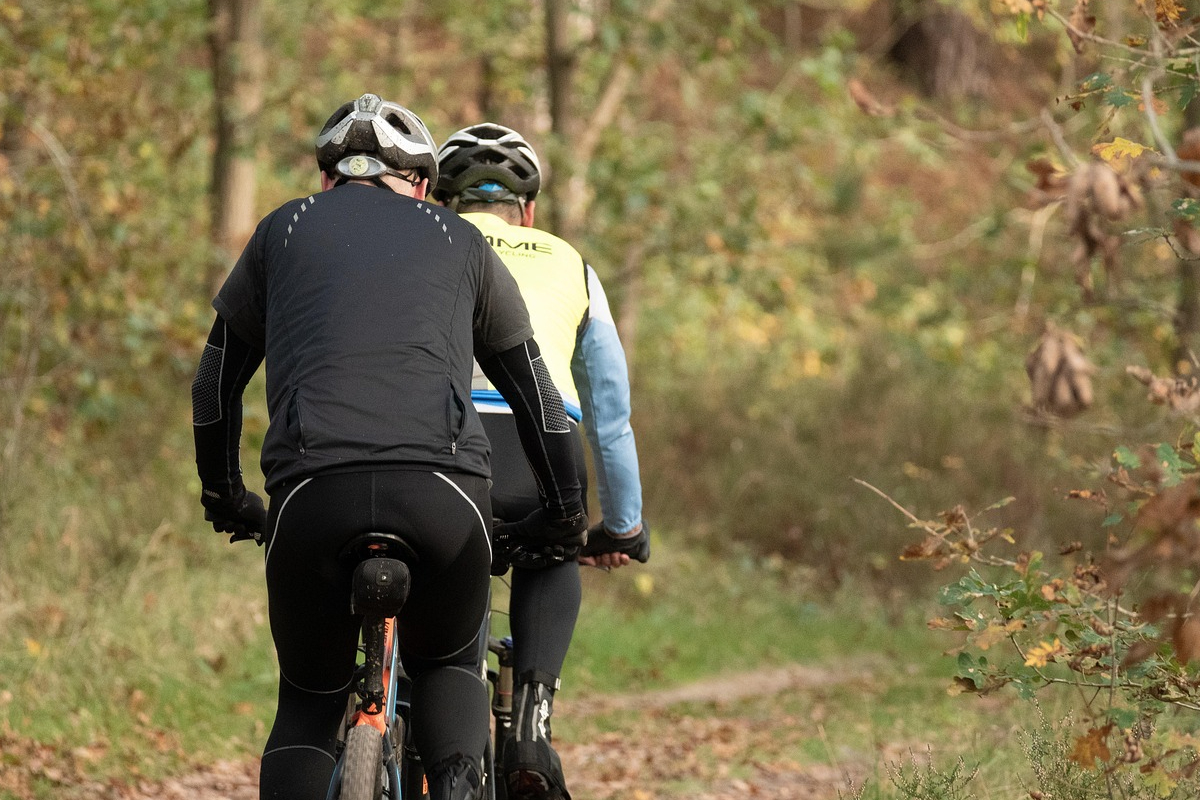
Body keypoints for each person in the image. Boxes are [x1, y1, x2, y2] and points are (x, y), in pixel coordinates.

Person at [190, 94, 587, 800]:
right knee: (448, 666)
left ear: (326, 179)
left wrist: (226, 495)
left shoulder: (283, 229)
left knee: (310, 701)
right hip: (444, 495)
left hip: (313, 494)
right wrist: (563, 511)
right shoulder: (461, 241)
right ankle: (461, 782)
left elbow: (214, 384)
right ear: (425, 186)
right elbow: (542, 404)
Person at [433, 122, 649, 800]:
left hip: (437, 449)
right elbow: (610, 415)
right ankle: (532, 717)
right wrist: (622, 525)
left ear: (441, 201)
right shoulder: (570, 262)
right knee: (554, 545)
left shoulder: (421, 246)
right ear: (527, 211)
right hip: (538, 451)